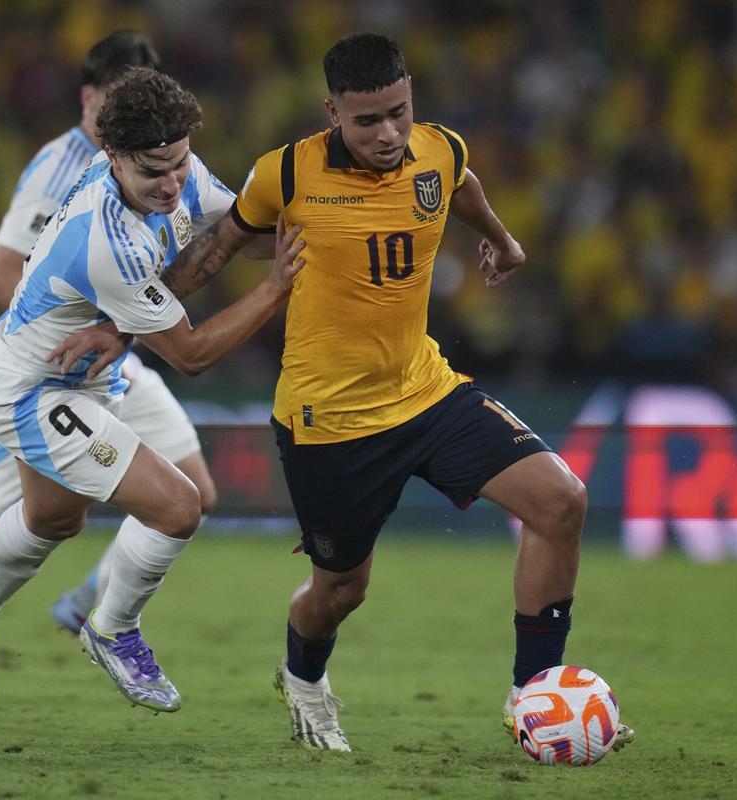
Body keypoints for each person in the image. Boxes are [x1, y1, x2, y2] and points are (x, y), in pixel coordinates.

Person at [56, 32, 634, 752]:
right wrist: (121, 327)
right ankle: (302, 678)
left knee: (562, 501)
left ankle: (537, 697)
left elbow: (461, 184)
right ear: (333, 113)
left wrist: (502, 239)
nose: (388, 133)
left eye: (398, 112)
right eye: (368, 121)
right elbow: (210, 255)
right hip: (328, 422)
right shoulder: (287, 175)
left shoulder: (438, 148)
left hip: (427, 390)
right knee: (341, 591)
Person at [0, 65, 304, 714]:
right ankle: (112, 629)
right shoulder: (104, 242)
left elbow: (232, 235)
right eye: (154, 172)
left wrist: (323, 233)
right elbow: (192, 354)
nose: (172, 183)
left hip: (87, 369)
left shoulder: (170, 165)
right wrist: (276, 291)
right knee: (179, 508)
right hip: (31, 389)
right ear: (111, 156)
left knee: (53, 518)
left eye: (179, 164)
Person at [0, 32, 221, 701]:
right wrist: (87, 316)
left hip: (111, 352)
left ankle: (84, 603)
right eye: (117, 102)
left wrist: (117, 323)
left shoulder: (159, 171)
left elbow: (204, 239)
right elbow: (3, 276)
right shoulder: (64, 170)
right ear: (92, 102)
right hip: (47, 366)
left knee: (190, 492)